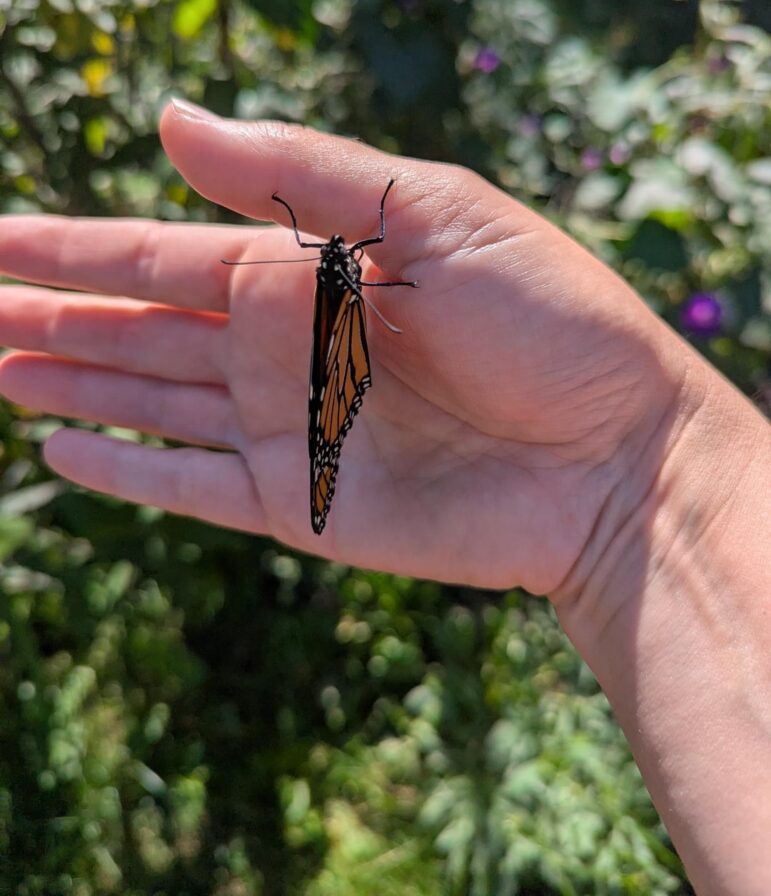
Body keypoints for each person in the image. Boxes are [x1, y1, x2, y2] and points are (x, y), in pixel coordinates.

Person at [0, 99, 768, 895]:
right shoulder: (335, 264)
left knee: (332, 389)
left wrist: (637, 465)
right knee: (329, 391)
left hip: (369, 365)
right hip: (356, 367)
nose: (331, 247)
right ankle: (326, 460)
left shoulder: (337, 264)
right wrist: (640, 475)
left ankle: (327, 457)